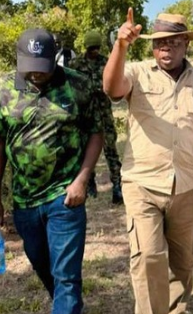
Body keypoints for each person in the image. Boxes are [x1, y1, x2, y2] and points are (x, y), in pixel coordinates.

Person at [102, 9, 193, 314]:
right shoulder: (137, 72)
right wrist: (120, 45)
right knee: (148, 259)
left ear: (186, 43)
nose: (165, 49)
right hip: (142, 183)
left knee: (183, 260)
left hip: (186, 184)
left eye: (173, 42)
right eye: (159, 43)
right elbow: (111, 88)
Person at [0, 28, 103, 314]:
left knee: (67, 275)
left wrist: (82, 179)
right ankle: (68, 309)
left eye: (43, 65)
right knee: (43, 264)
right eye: (29, 65)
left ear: (56, 59)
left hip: (66, 198)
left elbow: (96, 132)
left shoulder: (79, 85)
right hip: (24, 201)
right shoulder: (3, 88)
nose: (36, 72)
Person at [70, 30, 123, 204]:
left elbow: (112, 84)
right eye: (91, 48)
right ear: (86, 47)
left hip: (103, 113)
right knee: (85, 149)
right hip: (85, 114)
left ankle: (117, 185)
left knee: (111, 150)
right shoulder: (75, 64)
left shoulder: (106, 63)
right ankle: (89, 183)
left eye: (97, 48)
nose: (94, 51)